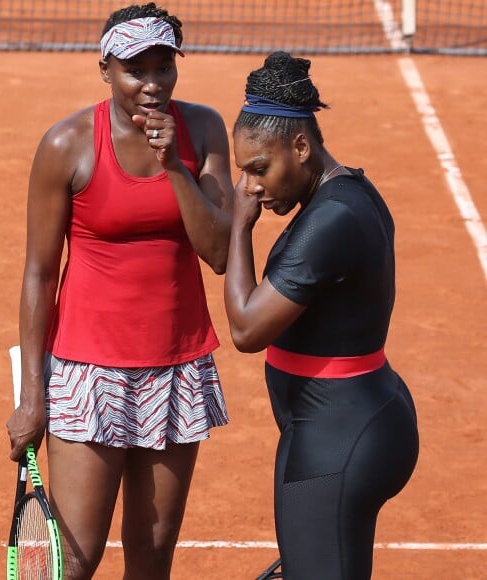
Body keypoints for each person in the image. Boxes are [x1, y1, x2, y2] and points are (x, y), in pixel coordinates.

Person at [5, 3, 234, 578]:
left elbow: (220, 252)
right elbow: (39, 274)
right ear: (105, 69)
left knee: (151, 559)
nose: (152, 83)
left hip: (176, 368)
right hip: (89, 375)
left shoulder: (202, 130)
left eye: (164, 66)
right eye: (136, 69)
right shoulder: (66, 145)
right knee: (74, 562)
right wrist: (35, 396)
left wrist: (174, 167)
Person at [224, 52, 419, 580]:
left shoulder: (331, 220)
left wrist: (238, 228)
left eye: (259, 169)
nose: (251, 188)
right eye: (245, 172)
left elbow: (245, 328)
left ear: (302, 147)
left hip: (340, 435)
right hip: (329, 427)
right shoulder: (343, 195)